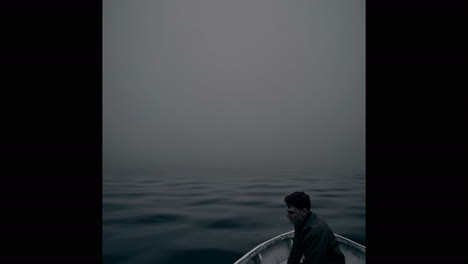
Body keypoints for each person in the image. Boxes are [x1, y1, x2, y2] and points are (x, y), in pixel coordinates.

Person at [285, 191, 345, 264]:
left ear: (304, 211)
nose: (288, 216)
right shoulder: (299, 222)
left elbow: (315, 262)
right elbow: (296, 251)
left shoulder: (317, 232)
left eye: (291, 212)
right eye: (288, 212)